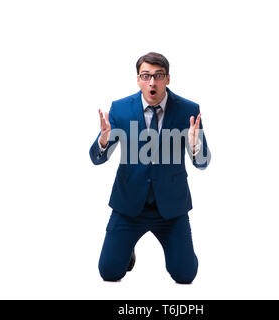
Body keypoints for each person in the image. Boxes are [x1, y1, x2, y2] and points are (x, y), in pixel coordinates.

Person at [89, 52, 211, 284]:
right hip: (129, 207)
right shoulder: (121, 109)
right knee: (109, 272)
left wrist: (196, 146)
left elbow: (203, 162)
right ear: (138, 79)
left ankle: (180, 251)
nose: (152, 82)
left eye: (158, 76)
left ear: (167, 79)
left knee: (185, 276)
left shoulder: (188, 110)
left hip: (171, 209)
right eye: (146, 76)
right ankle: (127, 250)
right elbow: (97, 158)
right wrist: (104, 141)